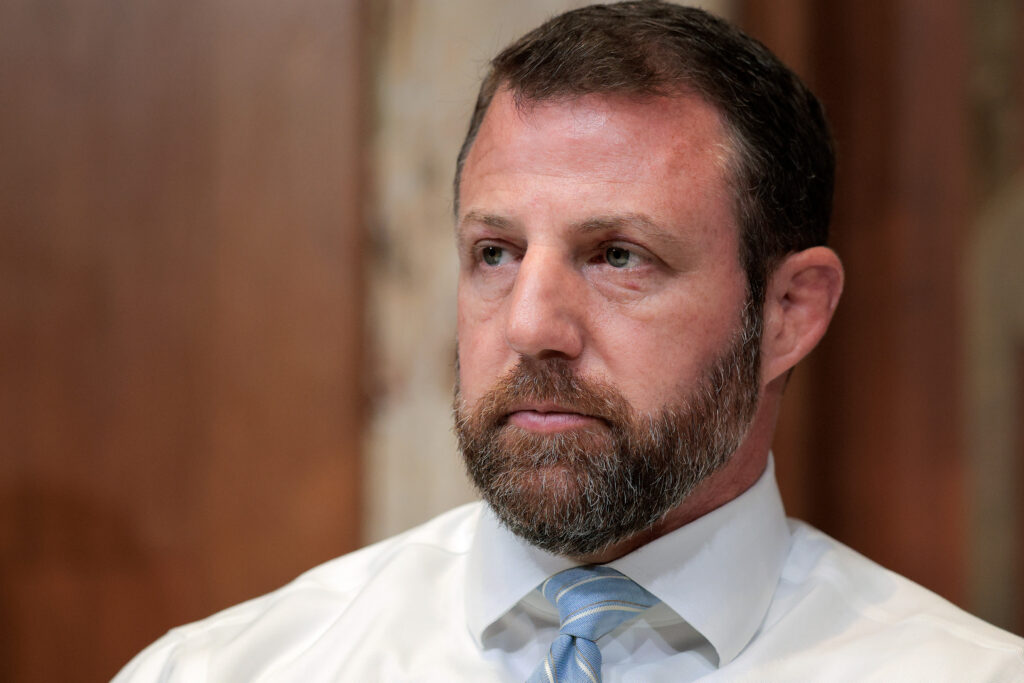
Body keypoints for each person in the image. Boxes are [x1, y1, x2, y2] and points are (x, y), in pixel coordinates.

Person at [116, 2, 1024, 681]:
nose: (529, 325)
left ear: (789, 312)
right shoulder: (228, 668)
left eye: (618, 255)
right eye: (496, 253)